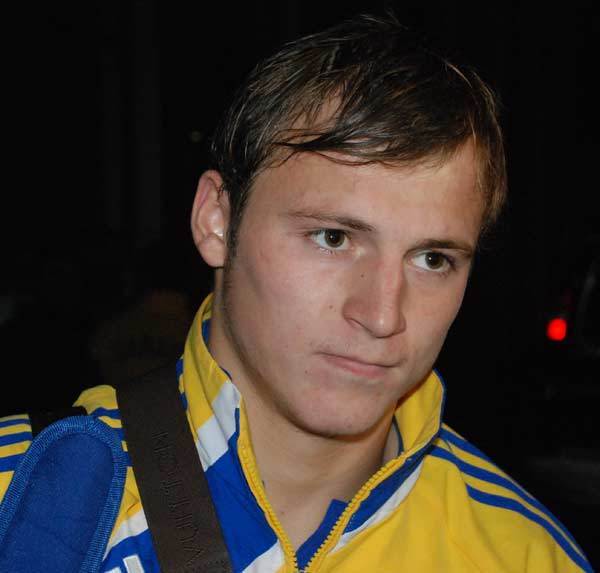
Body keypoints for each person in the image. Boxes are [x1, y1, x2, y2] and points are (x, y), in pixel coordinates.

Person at [0, 13, 593, 573]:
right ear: (217, 221)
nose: (382, 315)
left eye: (432, 259)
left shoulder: (525, 556)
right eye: (333, 238)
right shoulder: (21, 496)